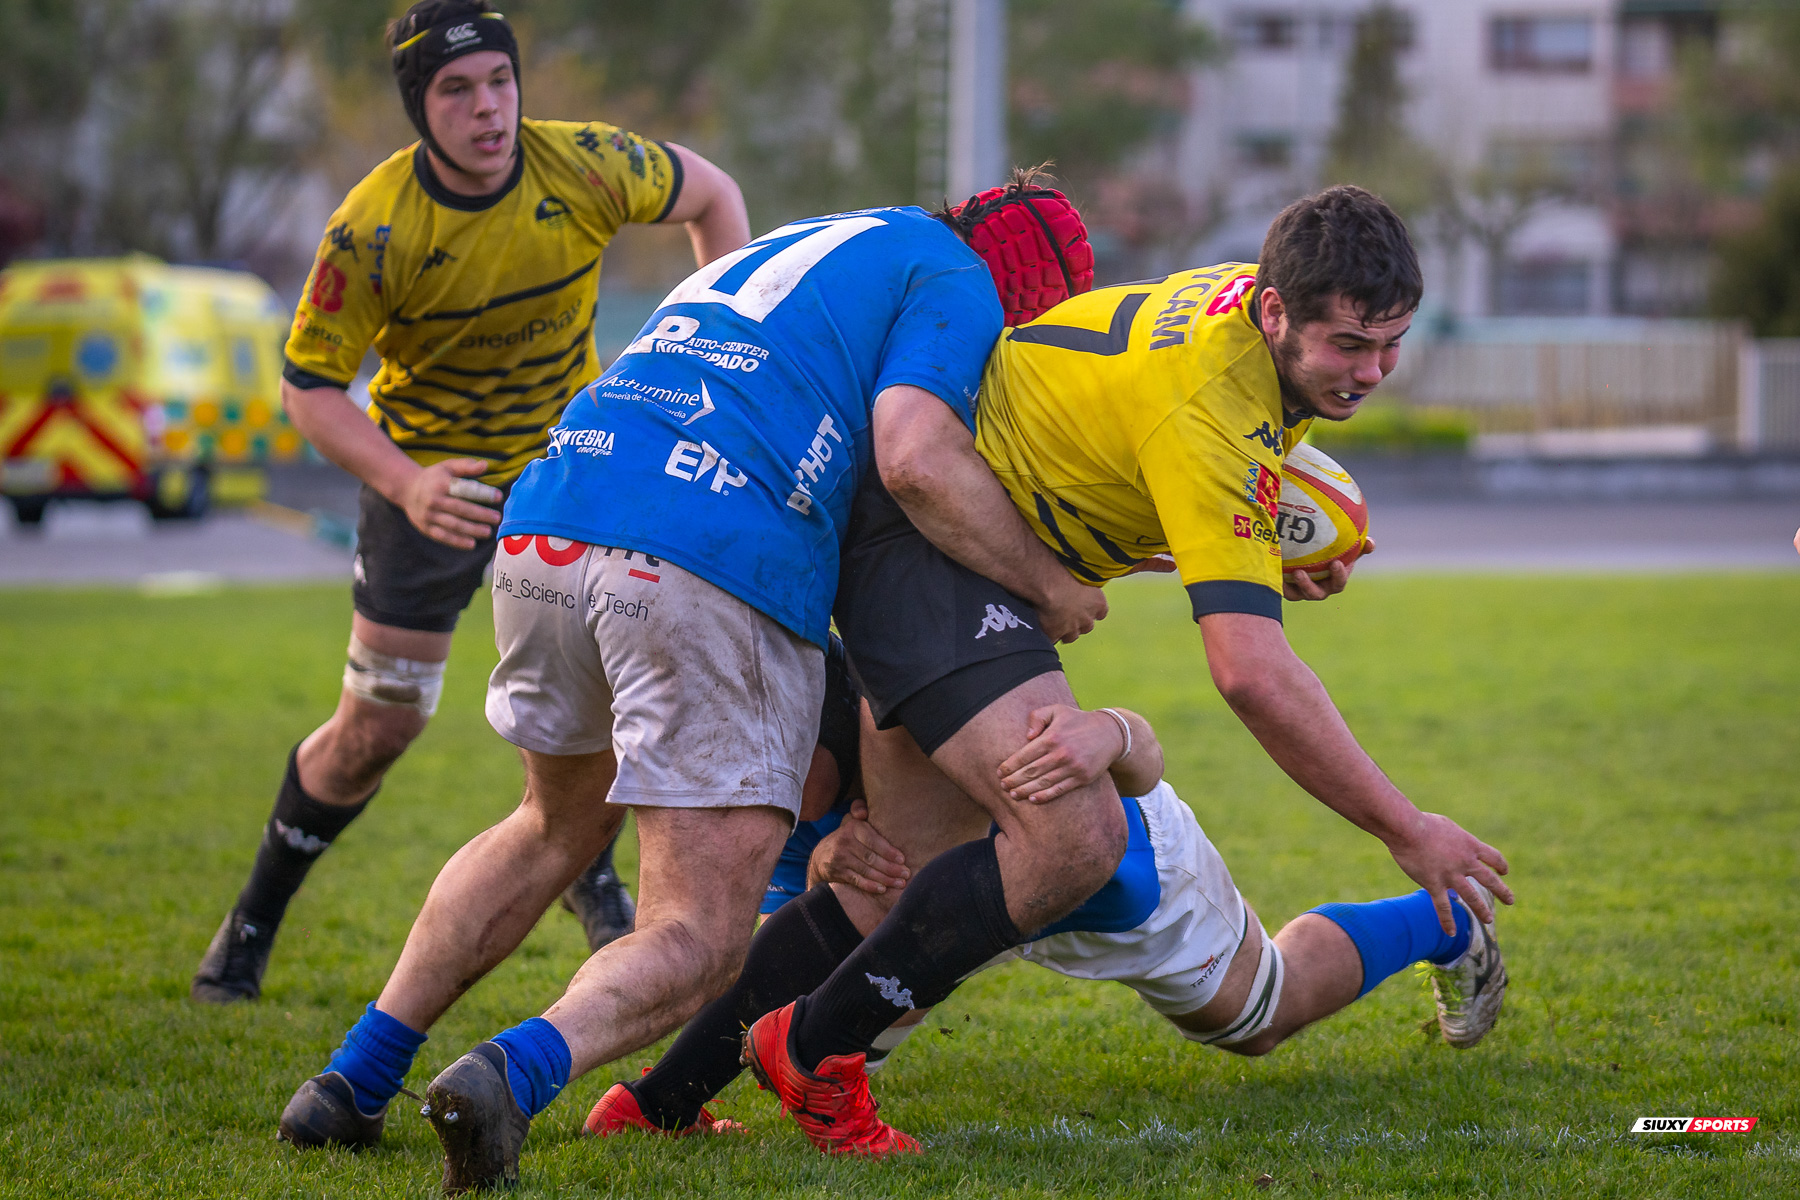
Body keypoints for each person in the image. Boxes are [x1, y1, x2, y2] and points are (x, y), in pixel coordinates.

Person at [273, 177, 1104, 1195]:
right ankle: (510, 1074)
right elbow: (918, 456)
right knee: (700, 936)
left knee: (548, 825)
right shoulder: (964, 282)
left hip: (552, 521)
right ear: (1032, 290)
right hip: (701, 552)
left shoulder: (819, 241)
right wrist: (1046, 584)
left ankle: (352, 1082)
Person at [732, 185, 1515, 1157]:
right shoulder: (1211, 403)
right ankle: (700, 1089)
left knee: (1254, 1009)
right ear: (1272, 308)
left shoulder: (1242, 345)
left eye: (1390, 344)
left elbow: (1221, 641)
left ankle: (1444, 923)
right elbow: (1237, 648)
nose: (1374, 372)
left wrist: (1235, 556)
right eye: (1352, 346)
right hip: (1006, 812)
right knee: (862, 951)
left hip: (1064, 832)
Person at [190, 0, 750, 1005]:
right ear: (420, 106)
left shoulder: (583, 162)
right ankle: (251, 922)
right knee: (379, 727)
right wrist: (406, 484)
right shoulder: (372, 227)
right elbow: (309, 389)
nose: (487, 107)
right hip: (429, 488)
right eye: (456, 90)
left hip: (565, 474)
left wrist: (718, 341)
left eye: (499, 79)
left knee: (615, 690)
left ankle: (595, 878)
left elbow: (713, 194)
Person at [588, 702, 1507, 1139]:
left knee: (1257, 1014)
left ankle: (1447, 924)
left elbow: (1136, 754)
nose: (763, 795)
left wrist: (1110, 730)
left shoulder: (898, 712)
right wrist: (824, 860)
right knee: (829, 1022)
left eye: (779, 776)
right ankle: (658, 1107)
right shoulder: (776, 800)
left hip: (1114, 873)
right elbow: (785, 959)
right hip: (952, 911)